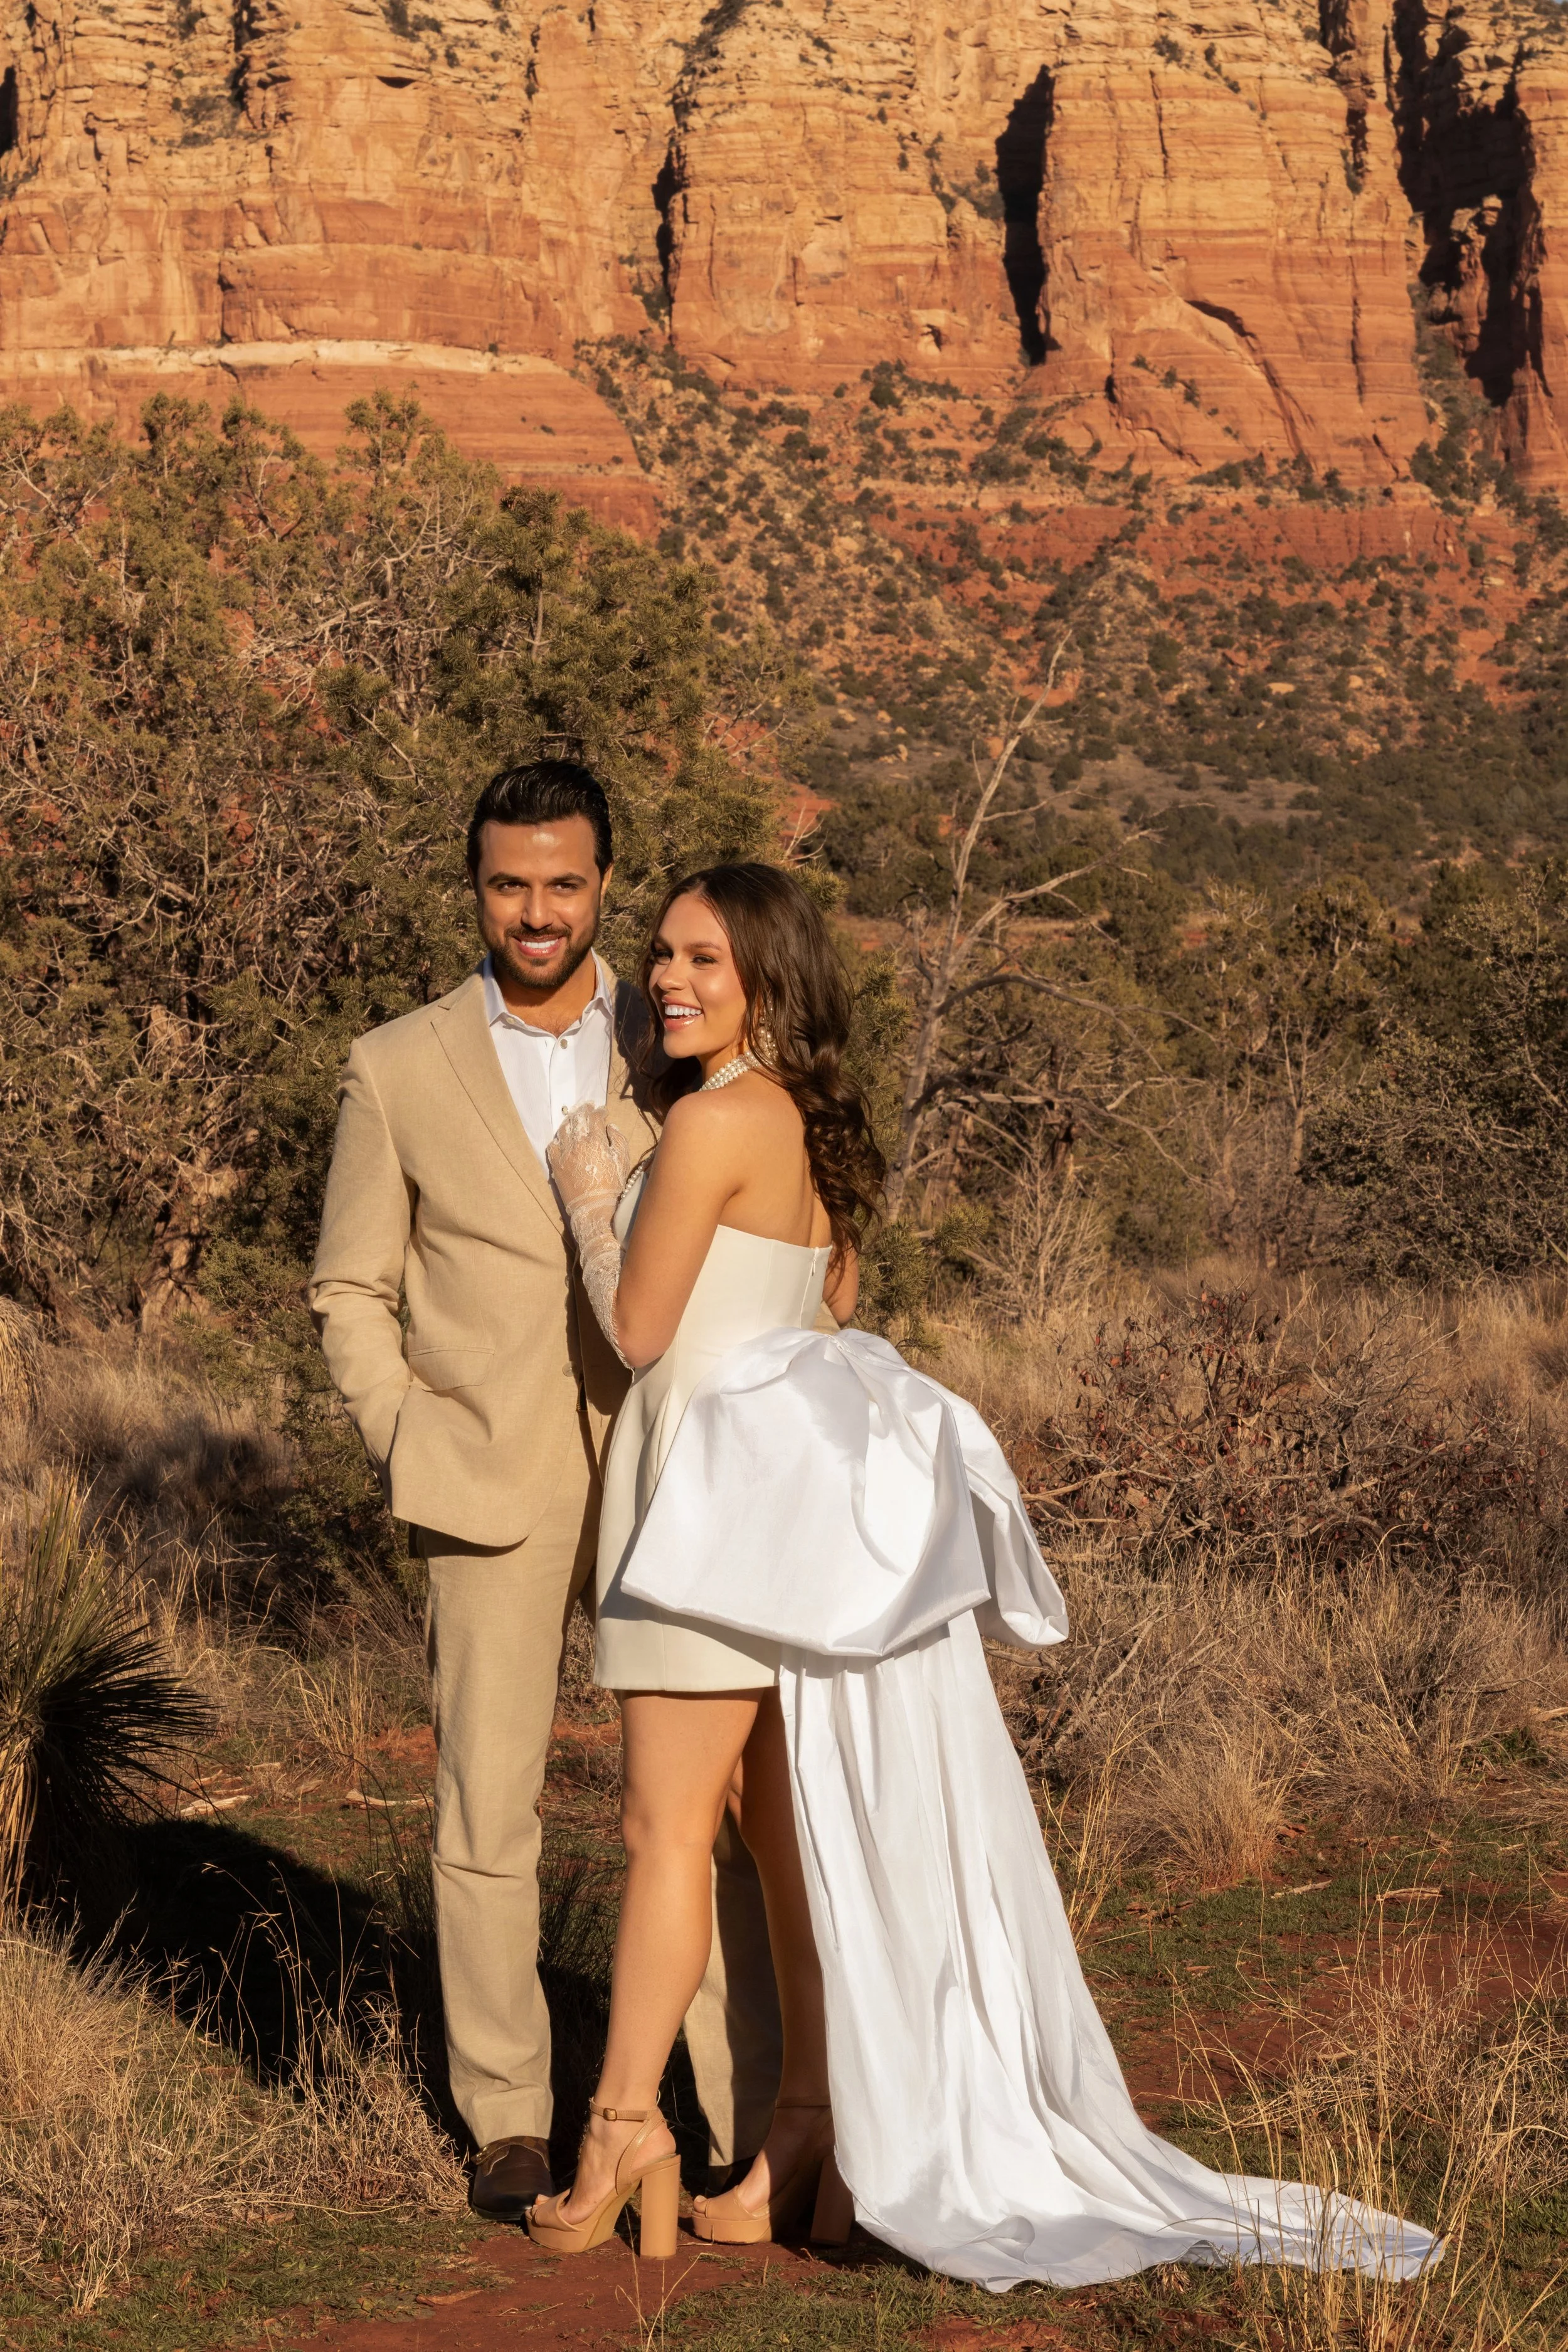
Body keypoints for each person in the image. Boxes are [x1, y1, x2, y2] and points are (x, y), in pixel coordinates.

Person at [527, 861, 1441, 2289]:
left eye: (702, 957)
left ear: (767, 972)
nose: (668, 978)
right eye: (661, 956)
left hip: (697, 1511)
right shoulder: (812, 1131)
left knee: (661, 1837)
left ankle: (620, 2136)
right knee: (787, 1847)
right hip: (792, 1529)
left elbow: (639, 1331)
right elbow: (823, 1311)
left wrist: (591, 1196)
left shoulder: (708, 1124)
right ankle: (802, 2147)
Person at [308, 763, 782, 2223]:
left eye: (564, 883)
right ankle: (508, 2116)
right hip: (483, 1477)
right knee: (484, 1810)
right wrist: (403, 1432)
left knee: (706, 1813)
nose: (536, 910)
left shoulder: (681, 1033)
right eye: (509, 883)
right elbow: (347, 1285)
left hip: (672, 1466)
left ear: (601, 889)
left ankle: (737, 2106)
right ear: (476, 887)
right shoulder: (396, 1065)